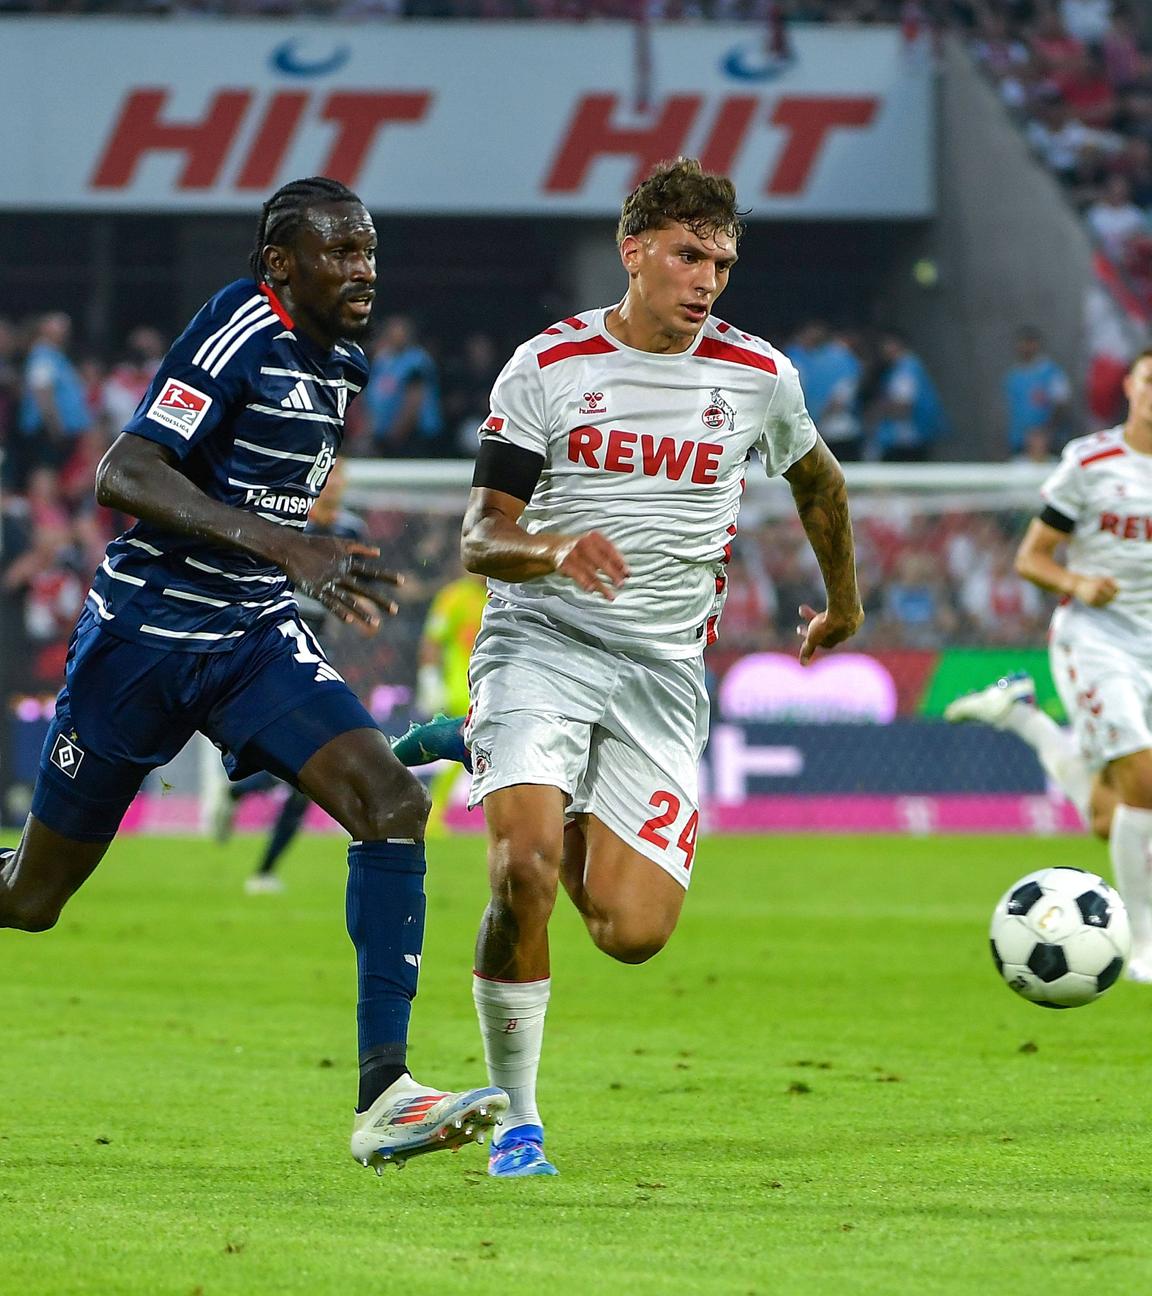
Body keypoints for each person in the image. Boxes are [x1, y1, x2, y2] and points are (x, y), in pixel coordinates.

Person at [0, 176, 506, 1170]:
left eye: (369, 251)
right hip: (140, 643)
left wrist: (306, 556)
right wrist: (290, 546)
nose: (364, 270)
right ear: (281, 263)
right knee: (31, 899)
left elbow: (261, 501)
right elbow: (125, 474)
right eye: (340, 252)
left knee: (390, 802)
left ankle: (385, 1096)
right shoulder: (239, 325)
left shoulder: (341, 366)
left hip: (248, 639)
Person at [399, 158, 863, 1176]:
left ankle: (491, 758)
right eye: (690, 256)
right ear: (635, 251)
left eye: (723, 263)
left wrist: (844, 602)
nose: (707, 281)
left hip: (662, 674)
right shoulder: (547, 366)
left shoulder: (758, 377)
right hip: (542, 645)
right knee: (520, 870)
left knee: (632, 931)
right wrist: (556, 549)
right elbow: (482, 536)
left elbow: (819, 483)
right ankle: (519, 1120)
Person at [945, 348, 1152, 985]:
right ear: (1130, 385)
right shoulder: (1091, 464)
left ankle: (1024, 716)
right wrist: (1078, 582)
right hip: (1097, 640)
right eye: (1151, 381)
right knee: (1144, 783)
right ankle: (1143, 949)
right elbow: (1032, 558)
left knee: (1108, 819)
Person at [206, 458, 369, 895]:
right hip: (272, 647)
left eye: (341, 478)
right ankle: (244, 797)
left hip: (318, 652)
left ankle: (263, 864)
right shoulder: (286, 522)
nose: (334, 484)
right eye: (329, 475)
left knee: (311, 762)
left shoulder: (352, 531)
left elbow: (353, 585)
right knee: (301, 758)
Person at [413, 567, 488, 836]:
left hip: (490, 686)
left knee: (472, 753)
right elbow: (432, 640)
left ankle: (433, 810)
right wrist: (430, 678)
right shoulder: (453, 597)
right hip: (461, 688)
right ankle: (432, 811)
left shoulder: (497, 597)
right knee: (465, 751)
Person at [868, 329, 947, 462]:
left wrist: (878, 412)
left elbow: (903, 406)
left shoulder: (906, 369)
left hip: (906, 439)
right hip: (906, 439)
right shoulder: (901, 368)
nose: (882, 350)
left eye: (886, 344)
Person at [1002, 327, 1071, 462]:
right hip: (1019, 441)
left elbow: (1062, 404)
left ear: (1036, 345)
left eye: (1028, 343)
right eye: (1021, 343)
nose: (1024, 347)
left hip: (1048, 442)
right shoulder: (1013, 376)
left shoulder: (1052, 372)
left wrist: (1046, 432)